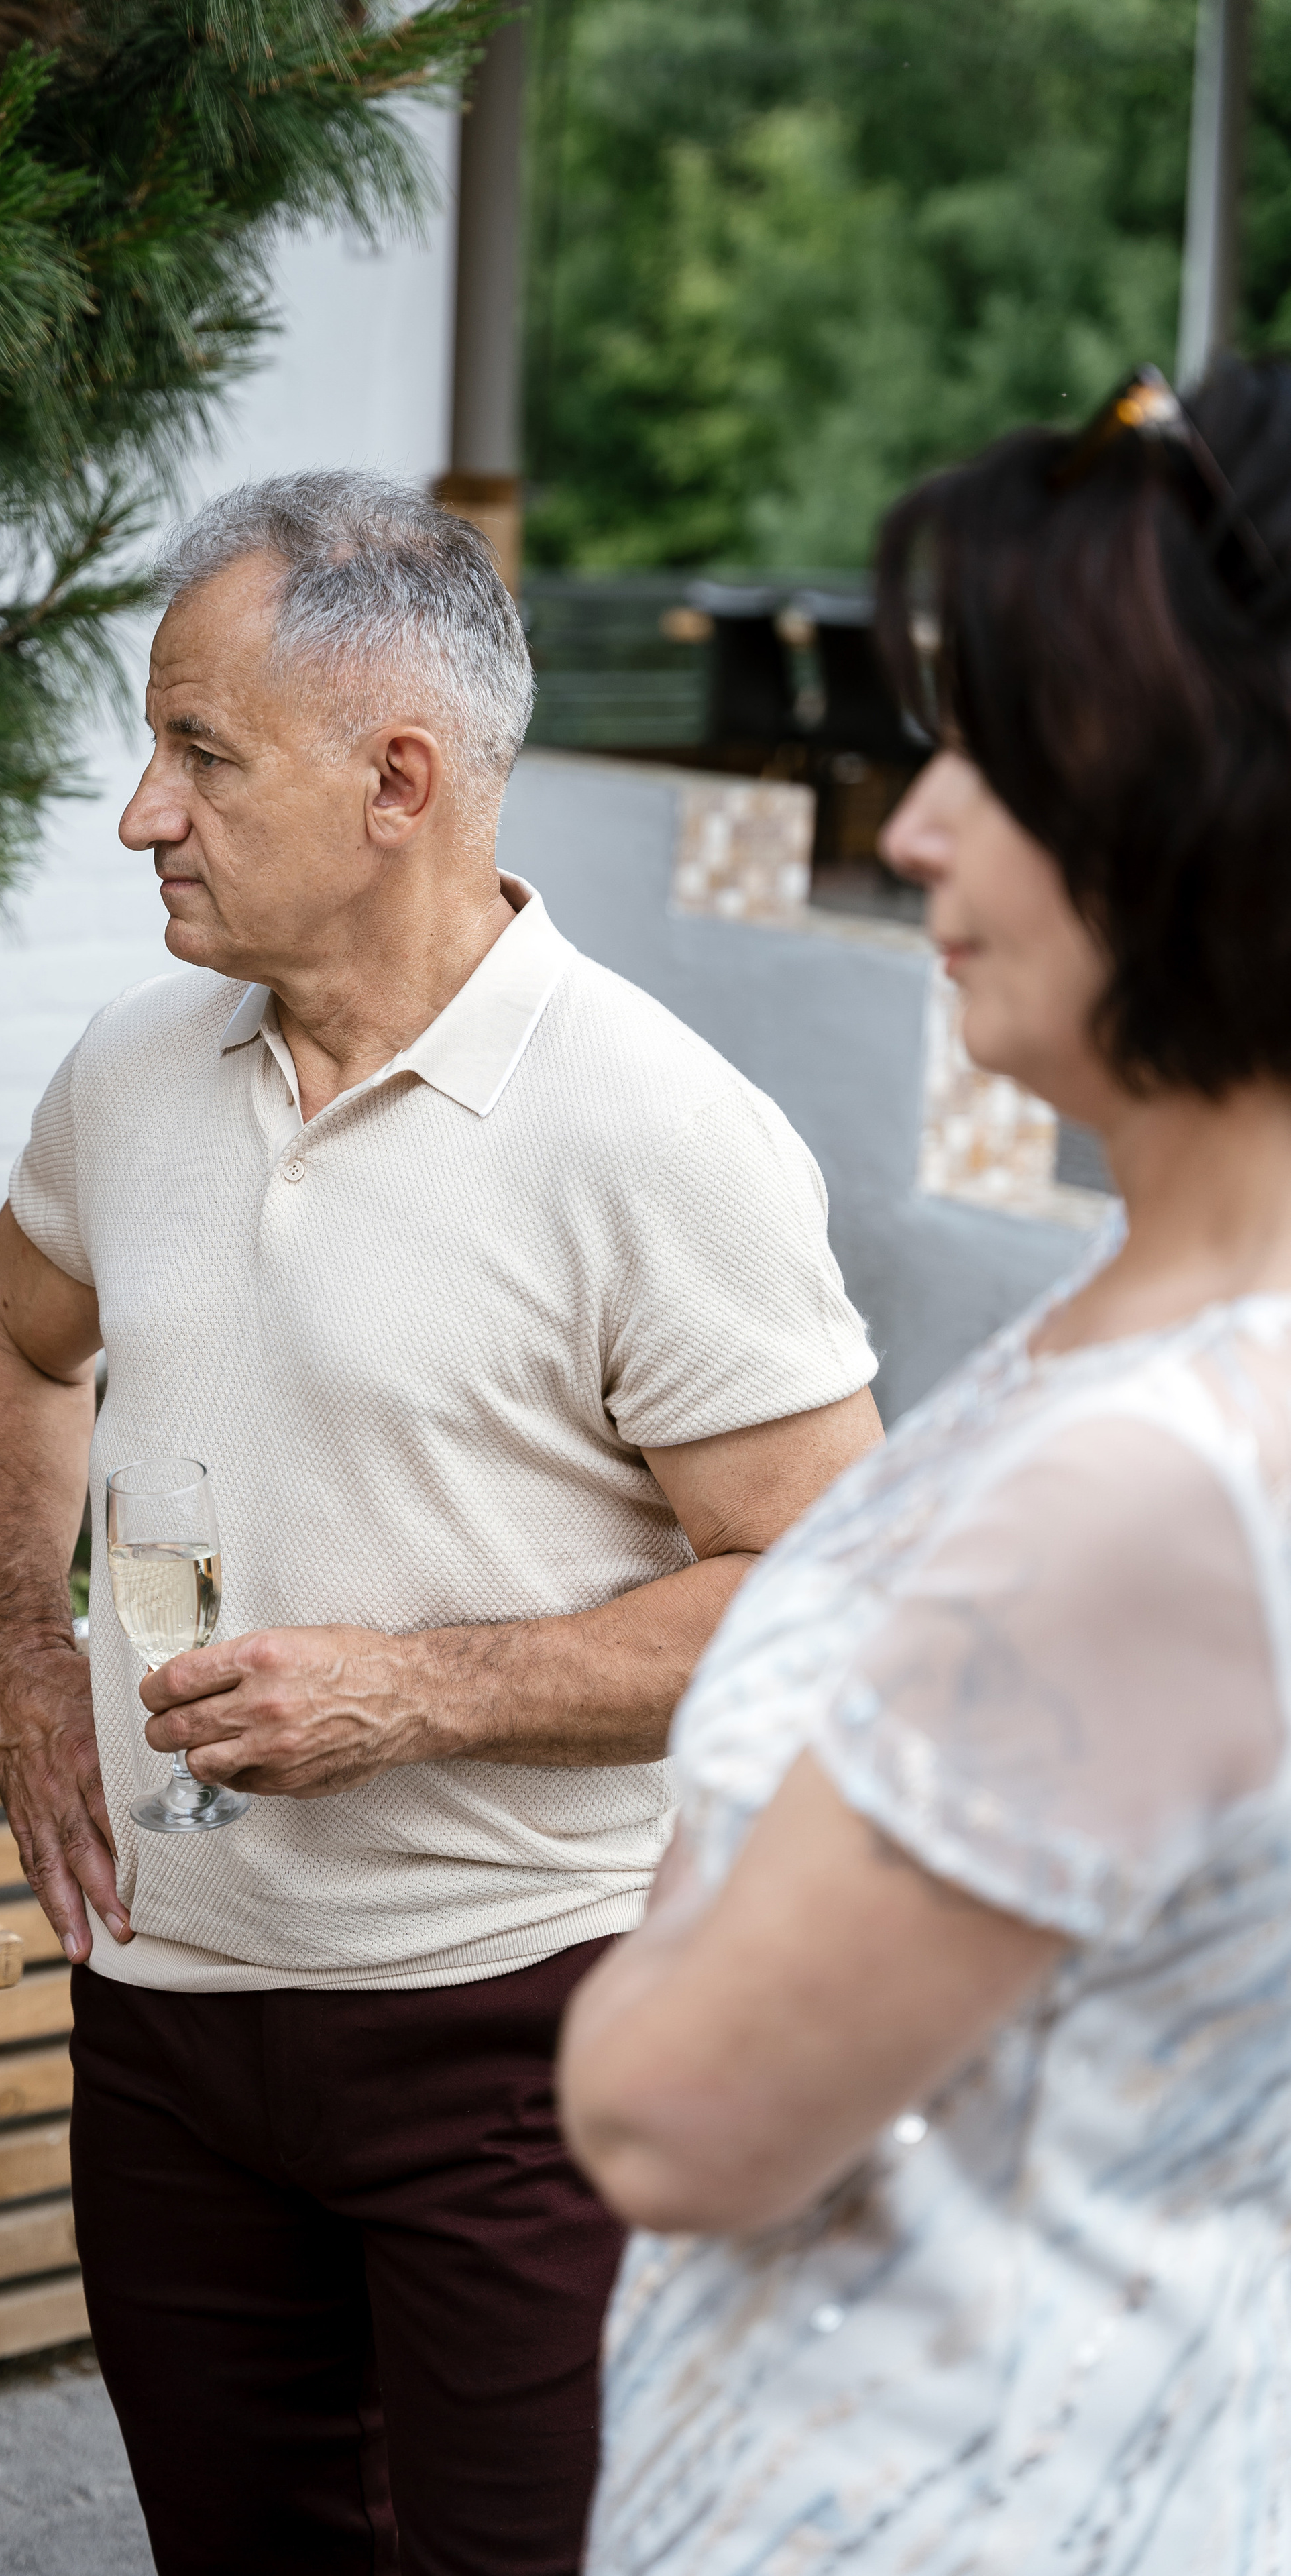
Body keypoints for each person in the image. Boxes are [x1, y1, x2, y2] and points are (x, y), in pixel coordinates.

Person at [0, 470, 881, 2575]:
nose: (139, 814)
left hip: (525, 2041)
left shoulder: (661, 1131)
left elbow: (828, 1590)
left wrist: (414, 1696)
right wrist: (17, 1650)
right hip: (168, 2025)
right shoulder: (130, 1072)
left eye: (197, 753)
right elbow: (10, 1347)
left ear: (399, 778)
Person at [559, 358, 1291, 2576]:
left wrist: (637, 1951)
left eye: (996, 753)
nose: (912, 829)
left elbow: (670, 2115)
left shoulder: (1157, 1478)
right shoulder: (1163, 1345)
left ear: (1200, 800)